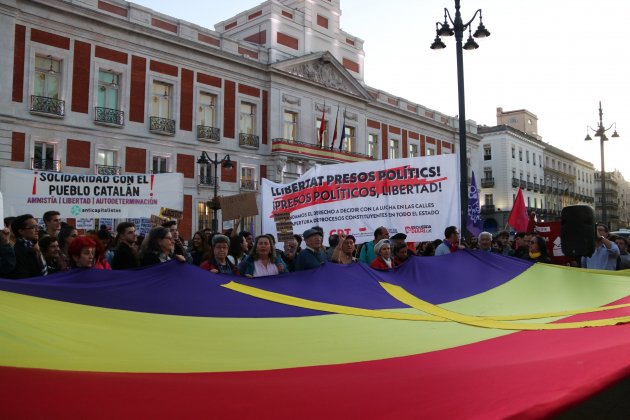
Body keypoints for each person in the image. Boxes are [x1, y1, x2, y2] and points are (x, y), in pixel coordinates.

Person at [8, 214, 47, 278]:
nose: (37, 230)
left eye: (37, 227)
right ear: (21, 231)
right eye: (33, 227)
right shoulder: (18, 252)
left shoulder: (35, 246)